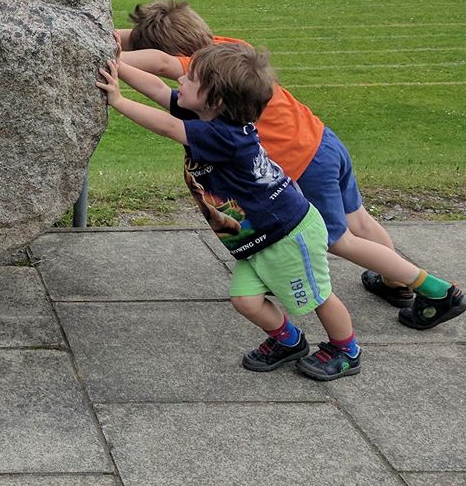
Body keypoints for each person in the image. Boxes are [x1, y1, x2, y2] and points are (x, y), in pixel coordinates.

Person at [115, 0, 466, 331]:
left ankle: (436, 290)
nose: (180, 80)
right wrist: (108, 36)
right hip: (322, 142)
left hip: (302, 165)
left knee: (339, 240)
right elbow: (159, 63)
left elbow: (163, 65)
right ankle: (395, 282)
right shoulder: (230, 53)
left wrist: (104, 53)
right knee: (358, 219)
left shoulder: (205, 74)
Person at [96, 45, 361, 381]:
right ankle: (290, 341)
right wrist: (116, 65)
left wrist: (118, 101)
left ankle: (346, 349)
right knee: (245, 300)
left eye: (191, 79)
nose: (180, 78)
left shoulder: (225, 137)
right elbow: (160, 91)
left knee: (318, 296)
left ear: (215, 99)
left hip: (288, 235)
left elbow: (167, 127)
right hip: (261, 238)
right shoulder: (207, 115)